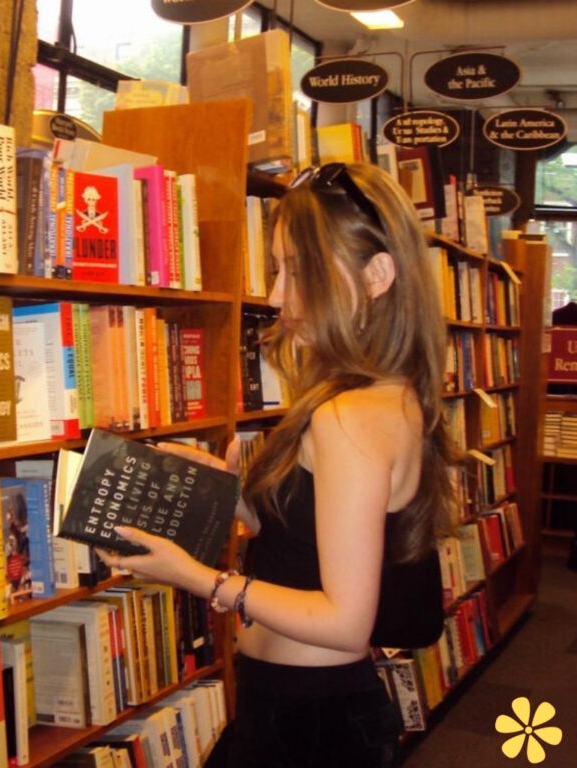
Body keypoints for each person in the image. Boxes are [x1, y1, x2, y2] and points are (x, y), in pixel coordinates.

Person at [96, 162, 458, 767]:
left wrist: (199, 578)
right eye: (277, 268)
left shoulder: (346, 414)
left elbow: (345, 621)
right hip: (305, 709)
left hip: (308, 722)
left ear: (377, 275)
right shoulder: (387, 393)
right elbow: (313, 548)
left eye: (299, 270)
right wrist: (234, 495)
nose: (275, 295)